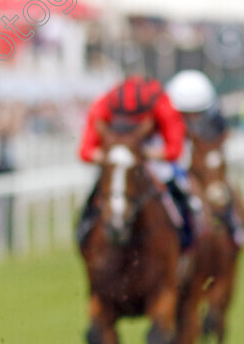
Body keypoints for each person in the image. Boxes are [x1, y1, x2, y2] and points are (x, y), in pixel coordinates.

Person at [77, 75, 197, 249]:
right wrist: (111, 157)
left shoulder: (160, 103)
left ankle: (187, 234)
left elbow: (174, 150)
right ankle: (83, 233)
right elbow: (85, 151)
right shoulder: (104, 103)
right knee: (99, 192)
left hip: (149, 151)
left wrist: (145, 154)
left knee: (175, 186)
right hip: (117, 155)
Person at [166, 70, 244, 245]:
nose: (192, 117)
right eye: (187, 112)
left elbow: (219, 141)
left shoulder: (213, 119)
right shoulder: (168, 122)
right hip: (176, 168)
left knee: (222, 189)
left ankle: (234, 225)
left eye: (197, 112)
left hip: (204, 165)